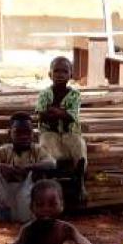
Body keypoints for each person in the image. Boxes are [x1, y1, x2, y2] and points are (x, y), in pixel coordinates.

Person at [0, 113, 57, 223]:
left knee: (41, 172)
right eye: (18, 132)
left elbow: (52, 163)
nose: (24, 136)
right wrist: (0, 167)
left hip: (28, 199)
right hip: (6, 199)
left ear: (33, 134)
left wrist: (30, 167)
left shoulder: (37, 150)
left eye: (27, 132)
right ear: (10, 133)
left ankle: (38, 216)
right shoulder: (4, 151)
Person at [36, 56, 88, 209]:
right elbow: (41, 114)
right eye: (56, 71)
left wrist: (55, 111)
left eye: (64, 71)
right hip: (49, 132)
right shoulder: (44, 94)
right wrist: (62, 112)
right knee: (46, 144)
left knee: (78, 144)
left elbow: (72, 115)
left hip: (70, 132)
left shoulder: (75, 95)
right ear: (50, 74)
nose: (60, 74)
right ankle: (51, 177)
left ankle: (80, 177)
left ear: (70, 75)